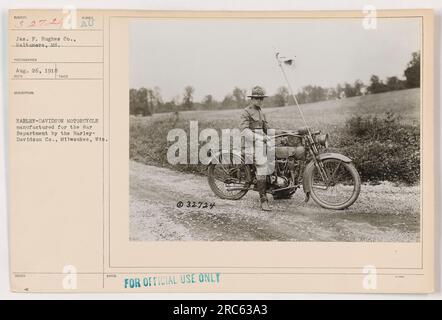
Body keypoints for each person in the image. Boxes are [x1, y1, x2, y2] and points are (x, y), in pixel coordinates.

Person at [239, 86, 274, 211]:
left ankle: (280, 190)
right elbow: (244, 131)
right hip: (250, 144)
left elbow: (267, 129)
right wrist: (259, 138)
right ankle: (263, 199)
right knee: (262, 165)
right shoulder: (246, 112)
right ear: (252, 98)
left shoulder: (261, 112)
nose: (260, 101)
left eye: (261, 98)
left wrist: (284, 133)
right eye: (257, 98)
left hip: (261, 144)